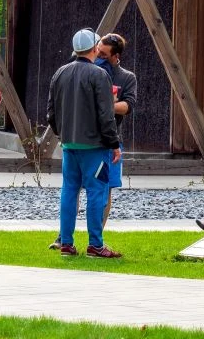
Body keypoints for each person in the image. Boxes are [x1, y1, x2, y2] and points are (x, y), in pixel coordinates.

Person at [47, 28, 122, 258]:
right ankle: (95, 245)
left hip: (69, 145)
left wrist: (63, 134)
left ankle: (66, 244)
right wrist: (114, 143)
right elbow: (106, 114)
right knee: (96, 193)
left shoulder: (60, 73)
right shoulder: (99, 75)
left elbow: (51, 112)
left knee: (69, 191)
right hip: (94, 146)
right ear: (94, 48)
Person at [96, 32, 137, 228]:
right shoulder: (90, 71)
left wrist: (104, 105)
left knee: (107, 188)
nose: (98, 57)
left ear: (116, 56)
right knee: (75, 187)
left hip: (112, 140)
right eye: (97, 52)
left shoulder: (127, 77)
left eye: (103, 55)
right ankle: (64, 238)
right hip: (87, 137)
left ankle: (98, 237)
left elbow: (128, 107)